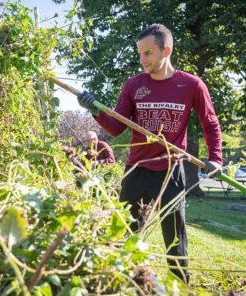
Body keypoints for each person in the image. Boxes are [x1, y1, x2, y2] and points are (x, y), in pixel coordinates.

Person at [77, 24, 222, 284]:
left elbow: (210, 123)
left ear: (166, 51)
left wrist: (216, 158)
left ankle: (179, 285)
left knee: (174, 238)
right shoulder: (134, 85)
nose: (143, 60)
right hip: (137, 169)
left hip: (171, 171)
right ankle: (123, 283)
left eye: (148, 53)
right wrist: (96, 111)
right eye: (140, 54)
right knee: (125, 234)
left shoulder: (191, 85)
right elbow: (117, 126)